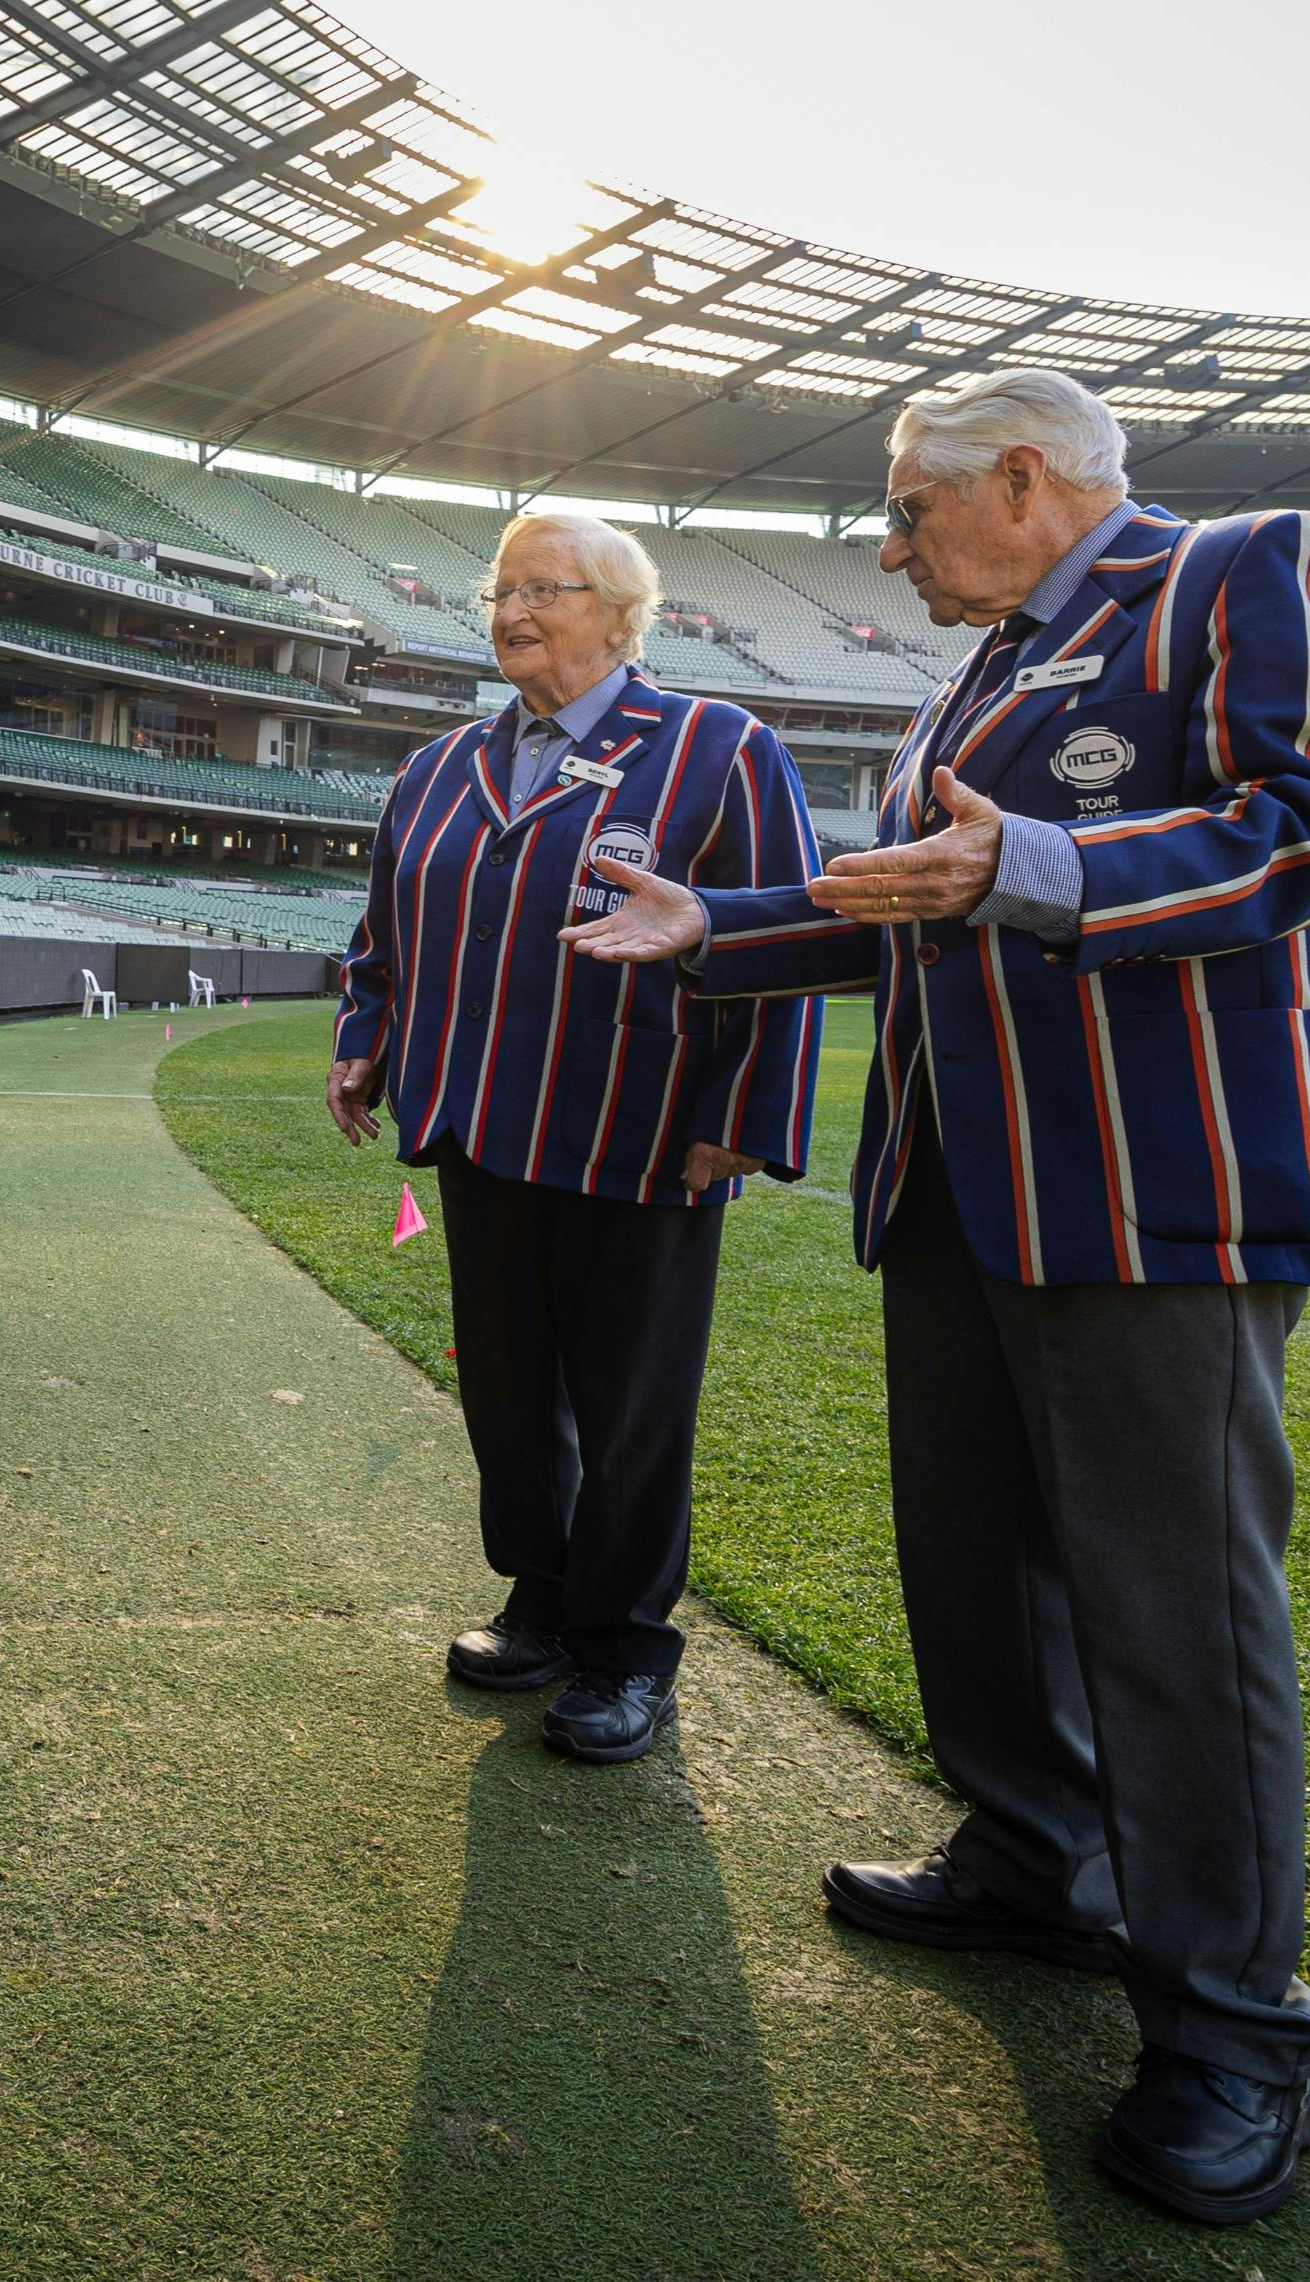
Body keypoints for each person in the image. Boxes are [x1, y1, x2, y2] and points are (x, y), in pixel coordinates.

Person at [565, 368, 1310, 2227]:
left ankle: (1226, 2033)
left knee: (1172, 1615)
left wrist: (1027, 861)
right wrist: (719, 929)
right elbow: (916, 901)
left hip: (1148, 1199)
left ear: (1019, 479)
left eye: (906, 510)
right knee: (970, 1559)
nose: (887, 547)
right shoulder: (973, 675)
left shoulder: (1240, 572)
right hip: (956, 1193)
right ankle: (1038, 1860)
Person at [324, 513, 821, 1763]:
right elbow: (384, 931)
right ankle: (537, 1601)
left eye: (544, 588)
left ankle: (625, 1649)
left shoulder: (720, 748)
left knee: (631, 1412)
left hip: (640, 1137)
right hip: (479, 1125)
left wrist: (745, 1116)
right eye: (499, 589)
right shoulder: (438, 765)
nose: (511, 611)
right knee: (506, 1392)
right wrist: (363, 1031)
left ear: (619, 611)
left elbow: (780, 946)